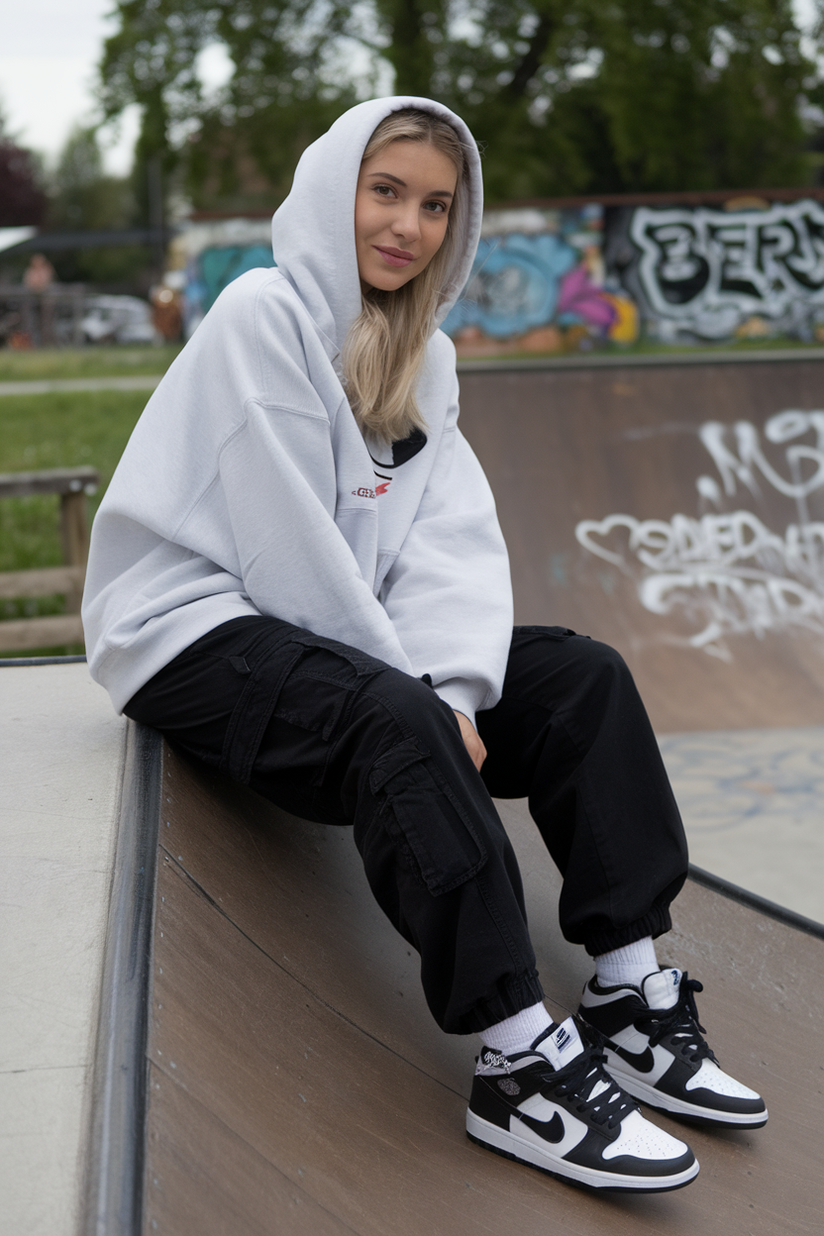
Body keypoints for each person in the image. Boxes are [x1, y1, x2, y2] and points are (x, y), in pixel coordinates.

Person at [81, 96, 767, 1194]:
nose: (406, 225)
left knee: (577, 678)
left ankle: (627, 990)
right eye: (383, 192)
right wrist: (419, 699)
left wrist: (452, 681)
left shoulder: (424, 360)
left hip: (343, 640)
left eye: (434, 205)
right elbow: (281, 543)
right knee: (398, 721)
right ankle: (514, 1061)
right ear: (330, 194)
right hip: (190, 628)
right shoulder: (262, 315)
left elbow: (450, 543)